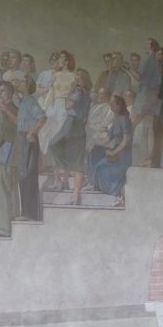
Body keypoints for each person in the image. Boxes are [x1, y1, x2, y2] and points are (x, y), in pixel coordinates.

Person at [49, 68, 91, 205]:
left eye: (79, 77)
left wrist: (70, 93)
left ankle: (71, 190)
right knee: (73, 158)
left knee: (55, 146)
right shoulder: (86, 94)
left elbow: (68, 105)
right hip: (77, 127)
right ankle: (70, 189)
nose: (76, 79)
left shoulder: (78, 93)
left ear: (83, 79)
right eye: (76, 76)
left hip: (72, 125)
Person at [0, 80, 20, 236]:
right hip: (12, 154)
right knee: (11, 191)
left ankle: (4, 229)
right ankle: (13, 226)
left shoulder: (3, 110)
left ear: (10, 93)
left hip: (3, 152)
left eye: (3, 90)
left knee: (1, 191)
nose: (0, 93)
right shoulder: (14, 109)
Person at [92, 94, 133, 206]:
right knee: (99, 165)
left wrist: (113, 152)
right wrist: (92, 143)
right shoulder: (116, 120)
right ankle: (103, 189)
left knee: (105, 169)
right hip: (116, 153)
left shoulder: (124, 119)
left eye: (113, 104)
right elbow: (107, 139)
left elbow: (125, 142)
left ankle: (118, 194)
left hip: (123, 155)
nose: (111, 106)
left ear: (119, 106)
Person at [15, 76, 45, 221]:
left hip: (27, 139)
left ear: (27, 85)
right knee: (22, 175)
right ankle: (25, 211)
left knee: (28, 175)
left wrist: (32, 132)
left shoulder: (31, 101)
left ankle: (30, 213)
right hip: (20, 138)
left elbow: (42, 118)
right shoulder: (23, 102)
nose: (18, 83)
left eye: (21, 81)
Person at [131, 38, 161, 166]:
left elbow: (139, 77)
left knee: (132, 123)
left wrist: (129, 69)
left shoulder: (147, 59)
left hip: (144, 95)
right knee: (149, 129)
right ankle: (148, 158)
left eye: (147, 44)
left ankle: (124, 151)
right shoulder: (157, 62)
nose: (145, 46)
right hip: (153, 96)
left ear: (152, 48)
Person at [85, 87, 114, 183]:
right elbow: (87, 123)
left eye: (102, 93)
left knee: (96, 161)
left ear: (107, 96)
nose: (99, 95)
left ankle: (96, 182)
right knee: (88, 161)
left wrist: (91, 127)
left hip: (100, 140)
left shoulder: (110, 108)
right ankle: (91, 181)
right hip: (89, 138)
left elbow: (104, 126)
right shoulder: (93, 107)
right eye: (99, 93)